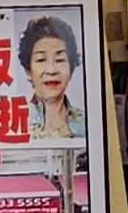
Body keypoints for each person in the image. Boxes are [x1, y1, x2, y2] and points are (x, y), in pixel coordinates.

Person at [21, 12, 87, 140]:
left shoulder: (86, 123)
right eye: (41, 60)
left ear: (71, 68)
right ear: (28, 71)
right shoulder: (17, 123)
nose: (51, 70)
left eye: (60, 60)